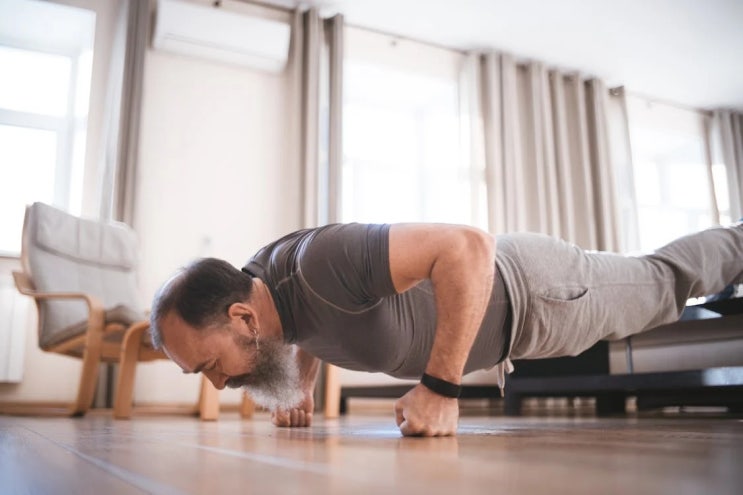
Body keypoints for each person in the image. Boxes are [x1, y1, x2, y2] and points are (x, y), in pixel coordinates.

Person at [149, 222, 743, 437]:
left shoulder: (320, 262)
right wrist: (302, 381)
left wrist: (440, 388)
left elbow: (466, 246)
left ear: (242, 319)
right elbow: (308, 321)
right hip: (526, 317)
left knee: (666, 282)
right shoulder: (264, 286)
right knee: (664, 285)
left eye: (209, 366)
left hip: (540, 293)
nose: (218, 385)